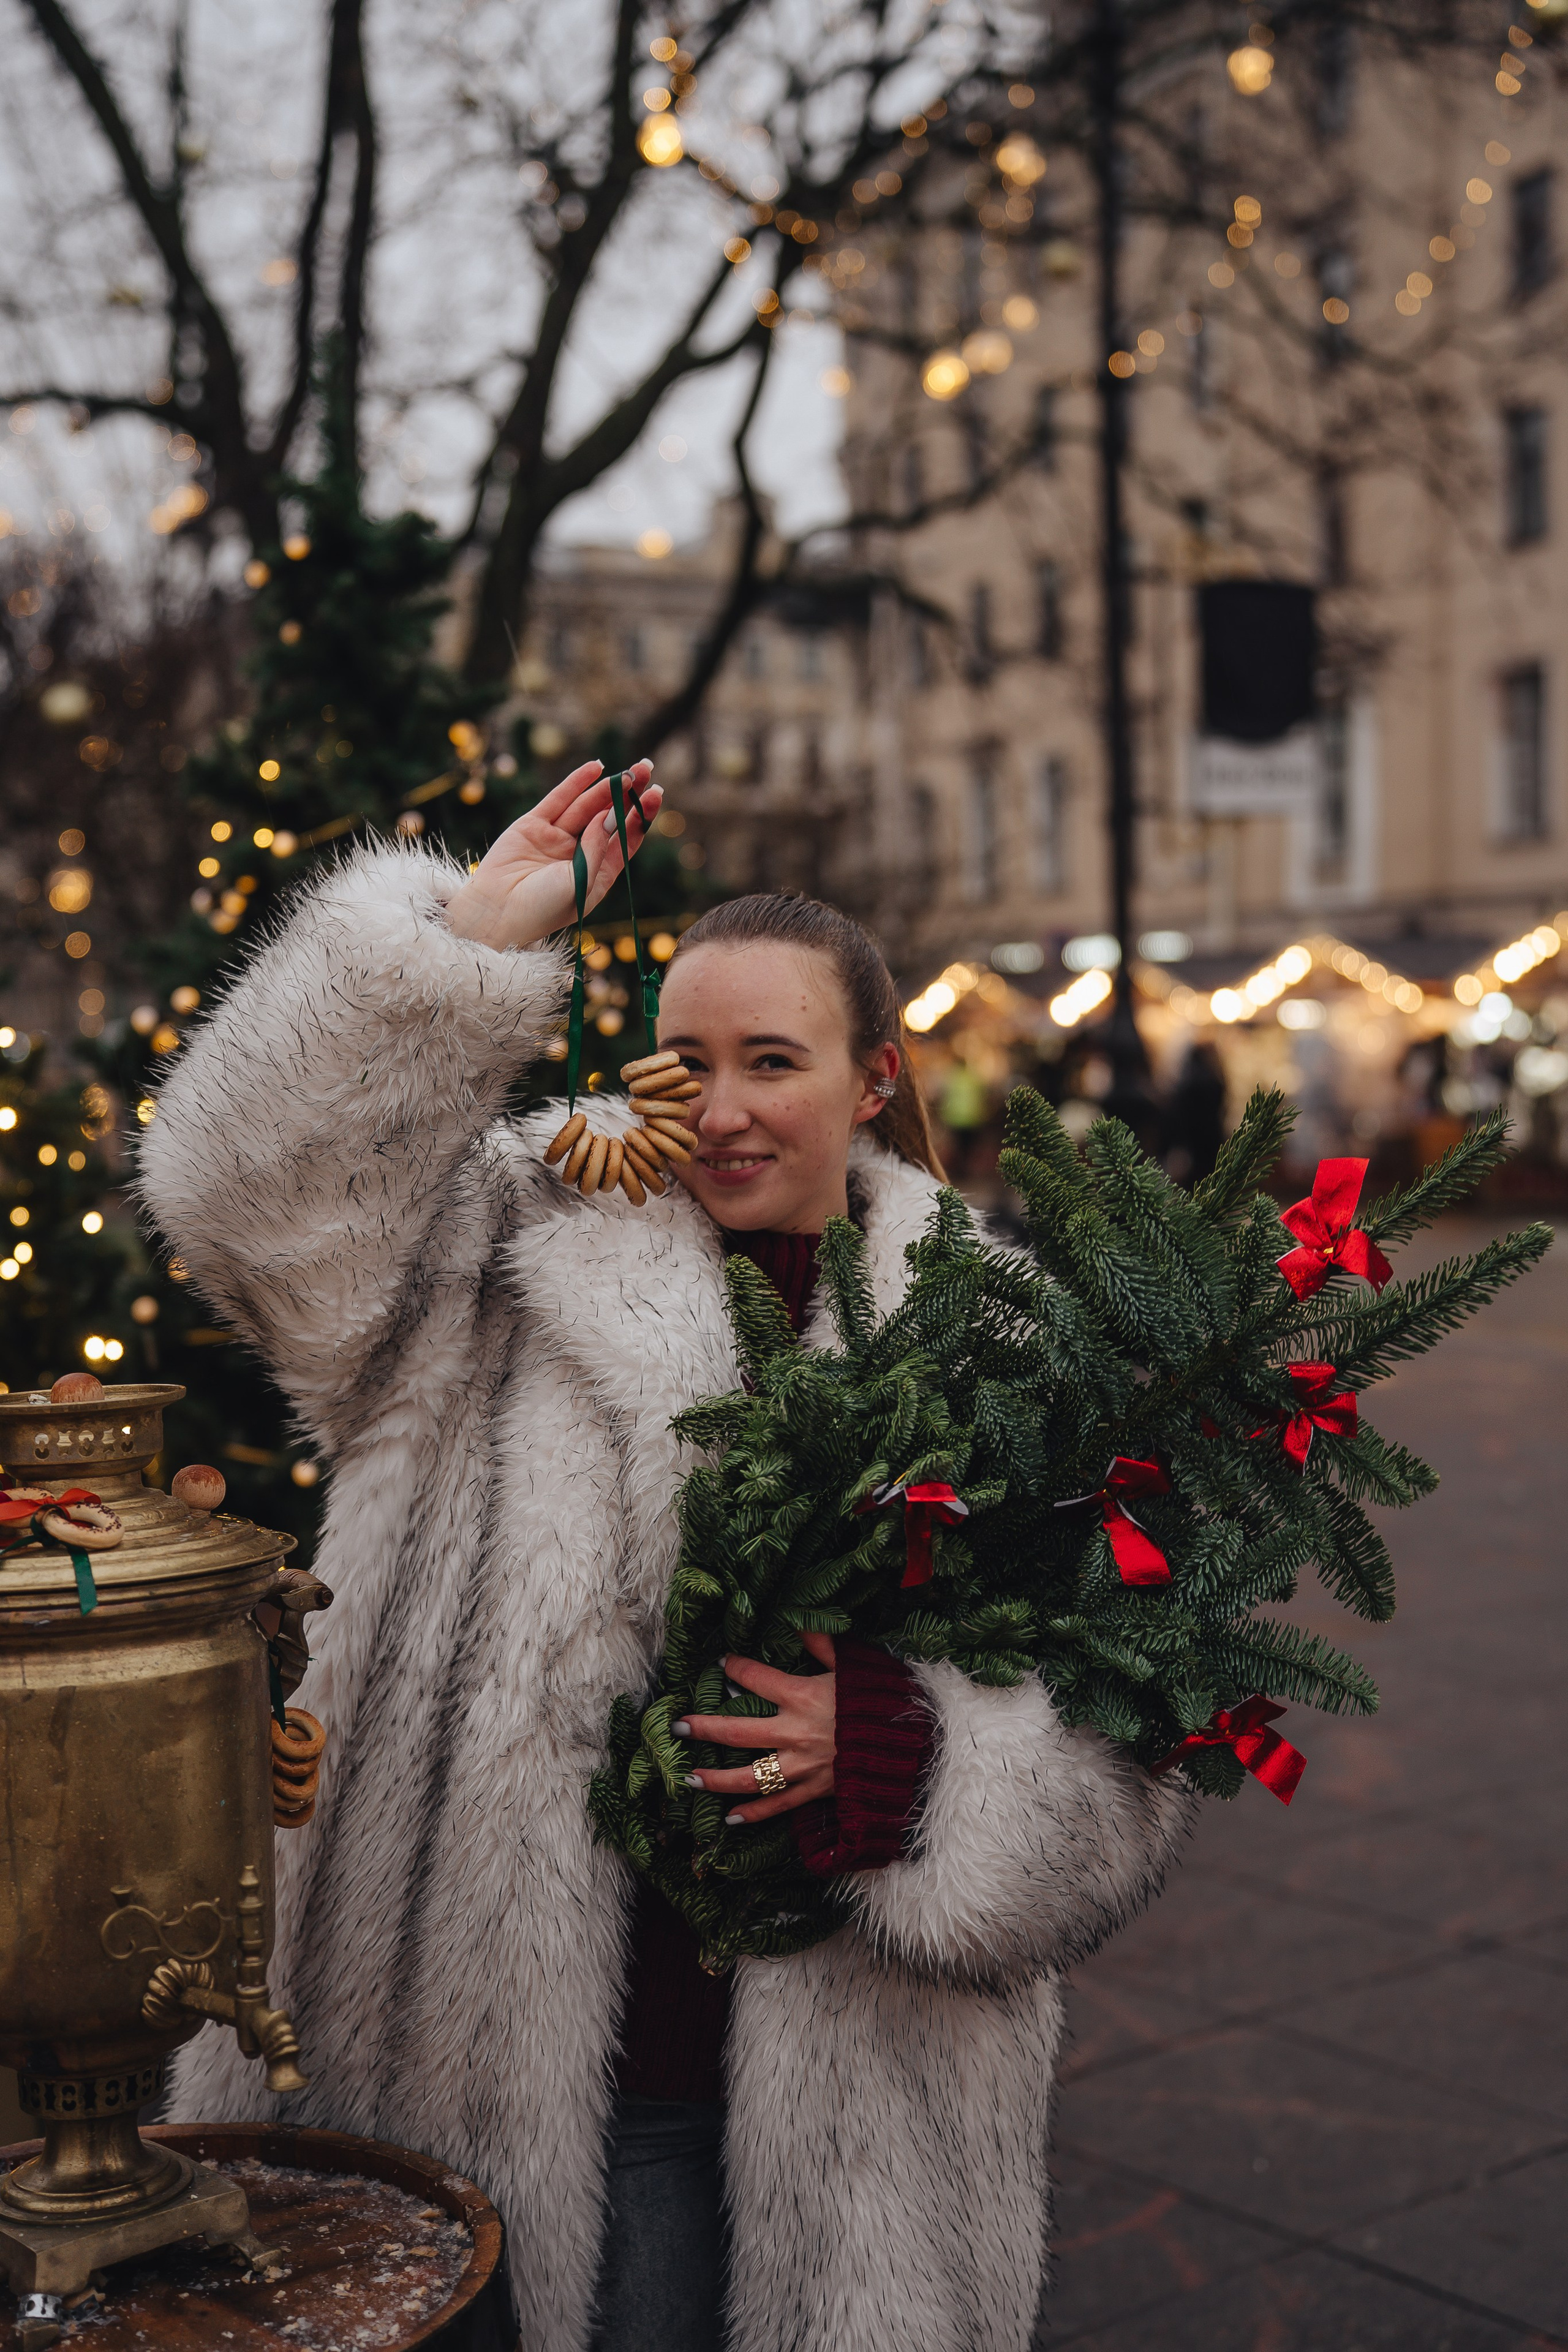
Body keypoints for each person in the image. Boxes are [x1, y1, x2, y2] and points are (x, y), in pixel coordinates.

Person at [141, 760, 1190, 2352]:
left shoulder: (1003, 1349)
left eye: (776, 1058)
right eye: (687, 1057)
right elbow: (236, 1204)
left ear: (871, 1078)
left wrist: (917, 1773)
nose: (724, 1102)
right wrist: (460, 948)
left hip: (854, 2126)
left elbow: (1125, 1763)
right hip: (467, 2074)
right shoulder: (489, 1250)